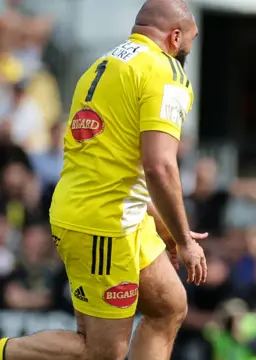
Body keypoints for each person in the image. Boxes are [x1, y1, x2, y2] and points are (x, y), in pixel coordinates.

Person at [0, 1, 208, 359]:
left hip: (108, 211)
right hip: (105, 226)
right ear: (175, 37)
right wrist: (185, 241)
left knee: (170, 305)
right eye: (190, 39)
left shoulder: (104, 63)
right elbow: (159, 166)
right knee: (99, 351)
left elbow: (114, 165)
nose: (188, 48)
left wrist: (166, 227)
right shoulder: (166, 73)